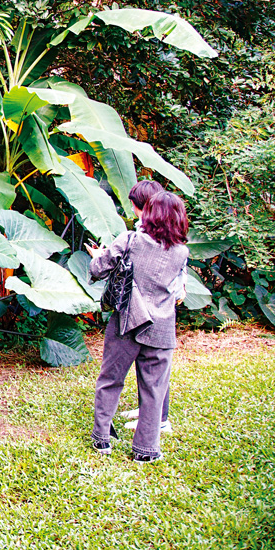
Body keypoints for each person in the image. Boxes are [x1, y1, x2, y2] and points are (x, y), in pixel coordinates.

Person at [85, 191, 190, 462]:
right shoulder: (182, 252)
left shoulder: (131, 240)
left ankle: (101, 439)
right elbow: (179, 290)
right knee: (154, 390)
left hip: (126, 323)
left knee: (111, 379)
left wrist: (96, 255)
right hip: (162, 328)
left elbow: (99, 269)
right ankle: (145, 451)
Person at [119, 180, 177, 433]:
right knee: (148, 364)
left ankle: (159, 419)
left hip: (154, 306)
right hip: (148, 304)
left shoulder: (156, 230)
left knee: (155, 366)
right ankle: (148, 410)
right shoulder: (149, 227)